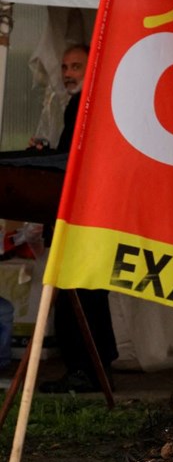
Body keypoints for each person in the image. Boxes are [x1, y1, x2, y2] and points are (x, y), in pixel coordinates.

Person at [36, 44, 121, 393]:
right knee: (88, 291)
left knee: (80, 292)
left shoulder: (86, 105)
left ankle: (86, 368)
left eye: (76, 66)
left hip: (85, 211)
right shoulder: (91, 103)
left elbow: (74, 160)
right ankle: (95, 365)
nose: (69, 74)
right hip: (93, 211)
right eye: (65, 67)